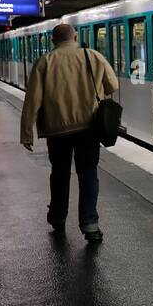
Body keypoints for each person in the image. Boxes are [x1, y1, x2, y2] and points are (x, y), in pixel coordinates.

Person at [20, 23, 118, 243]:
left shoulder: (44, 62)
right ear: (75, 36)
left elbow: (32, 101)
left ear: (53, 41)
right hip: (88, 128)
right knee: (88, 173)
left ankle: (57, 217)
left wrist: (26, 133)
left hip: (57, 130)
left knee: (60, 174)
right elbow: (112, 85)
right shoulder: (92, 56)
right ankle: (90, 225)